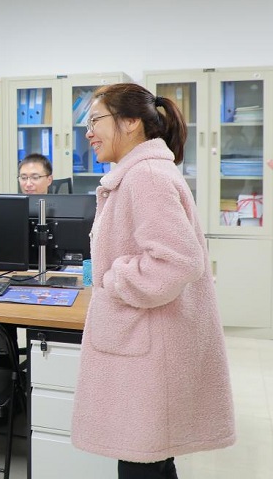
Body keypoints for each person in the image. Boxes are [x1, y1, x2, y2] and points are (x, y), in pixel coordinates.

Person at [70, 83, 235, 478]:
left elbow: (177, 262)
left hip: (148, 354)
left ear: (130, 122)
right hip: (146, 347)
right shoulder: (140, 173)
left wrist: (114, 279)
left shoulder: (145, 176)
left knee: (142, 464)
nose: (88, 133)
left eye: (95, 121)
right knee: (153, 463)